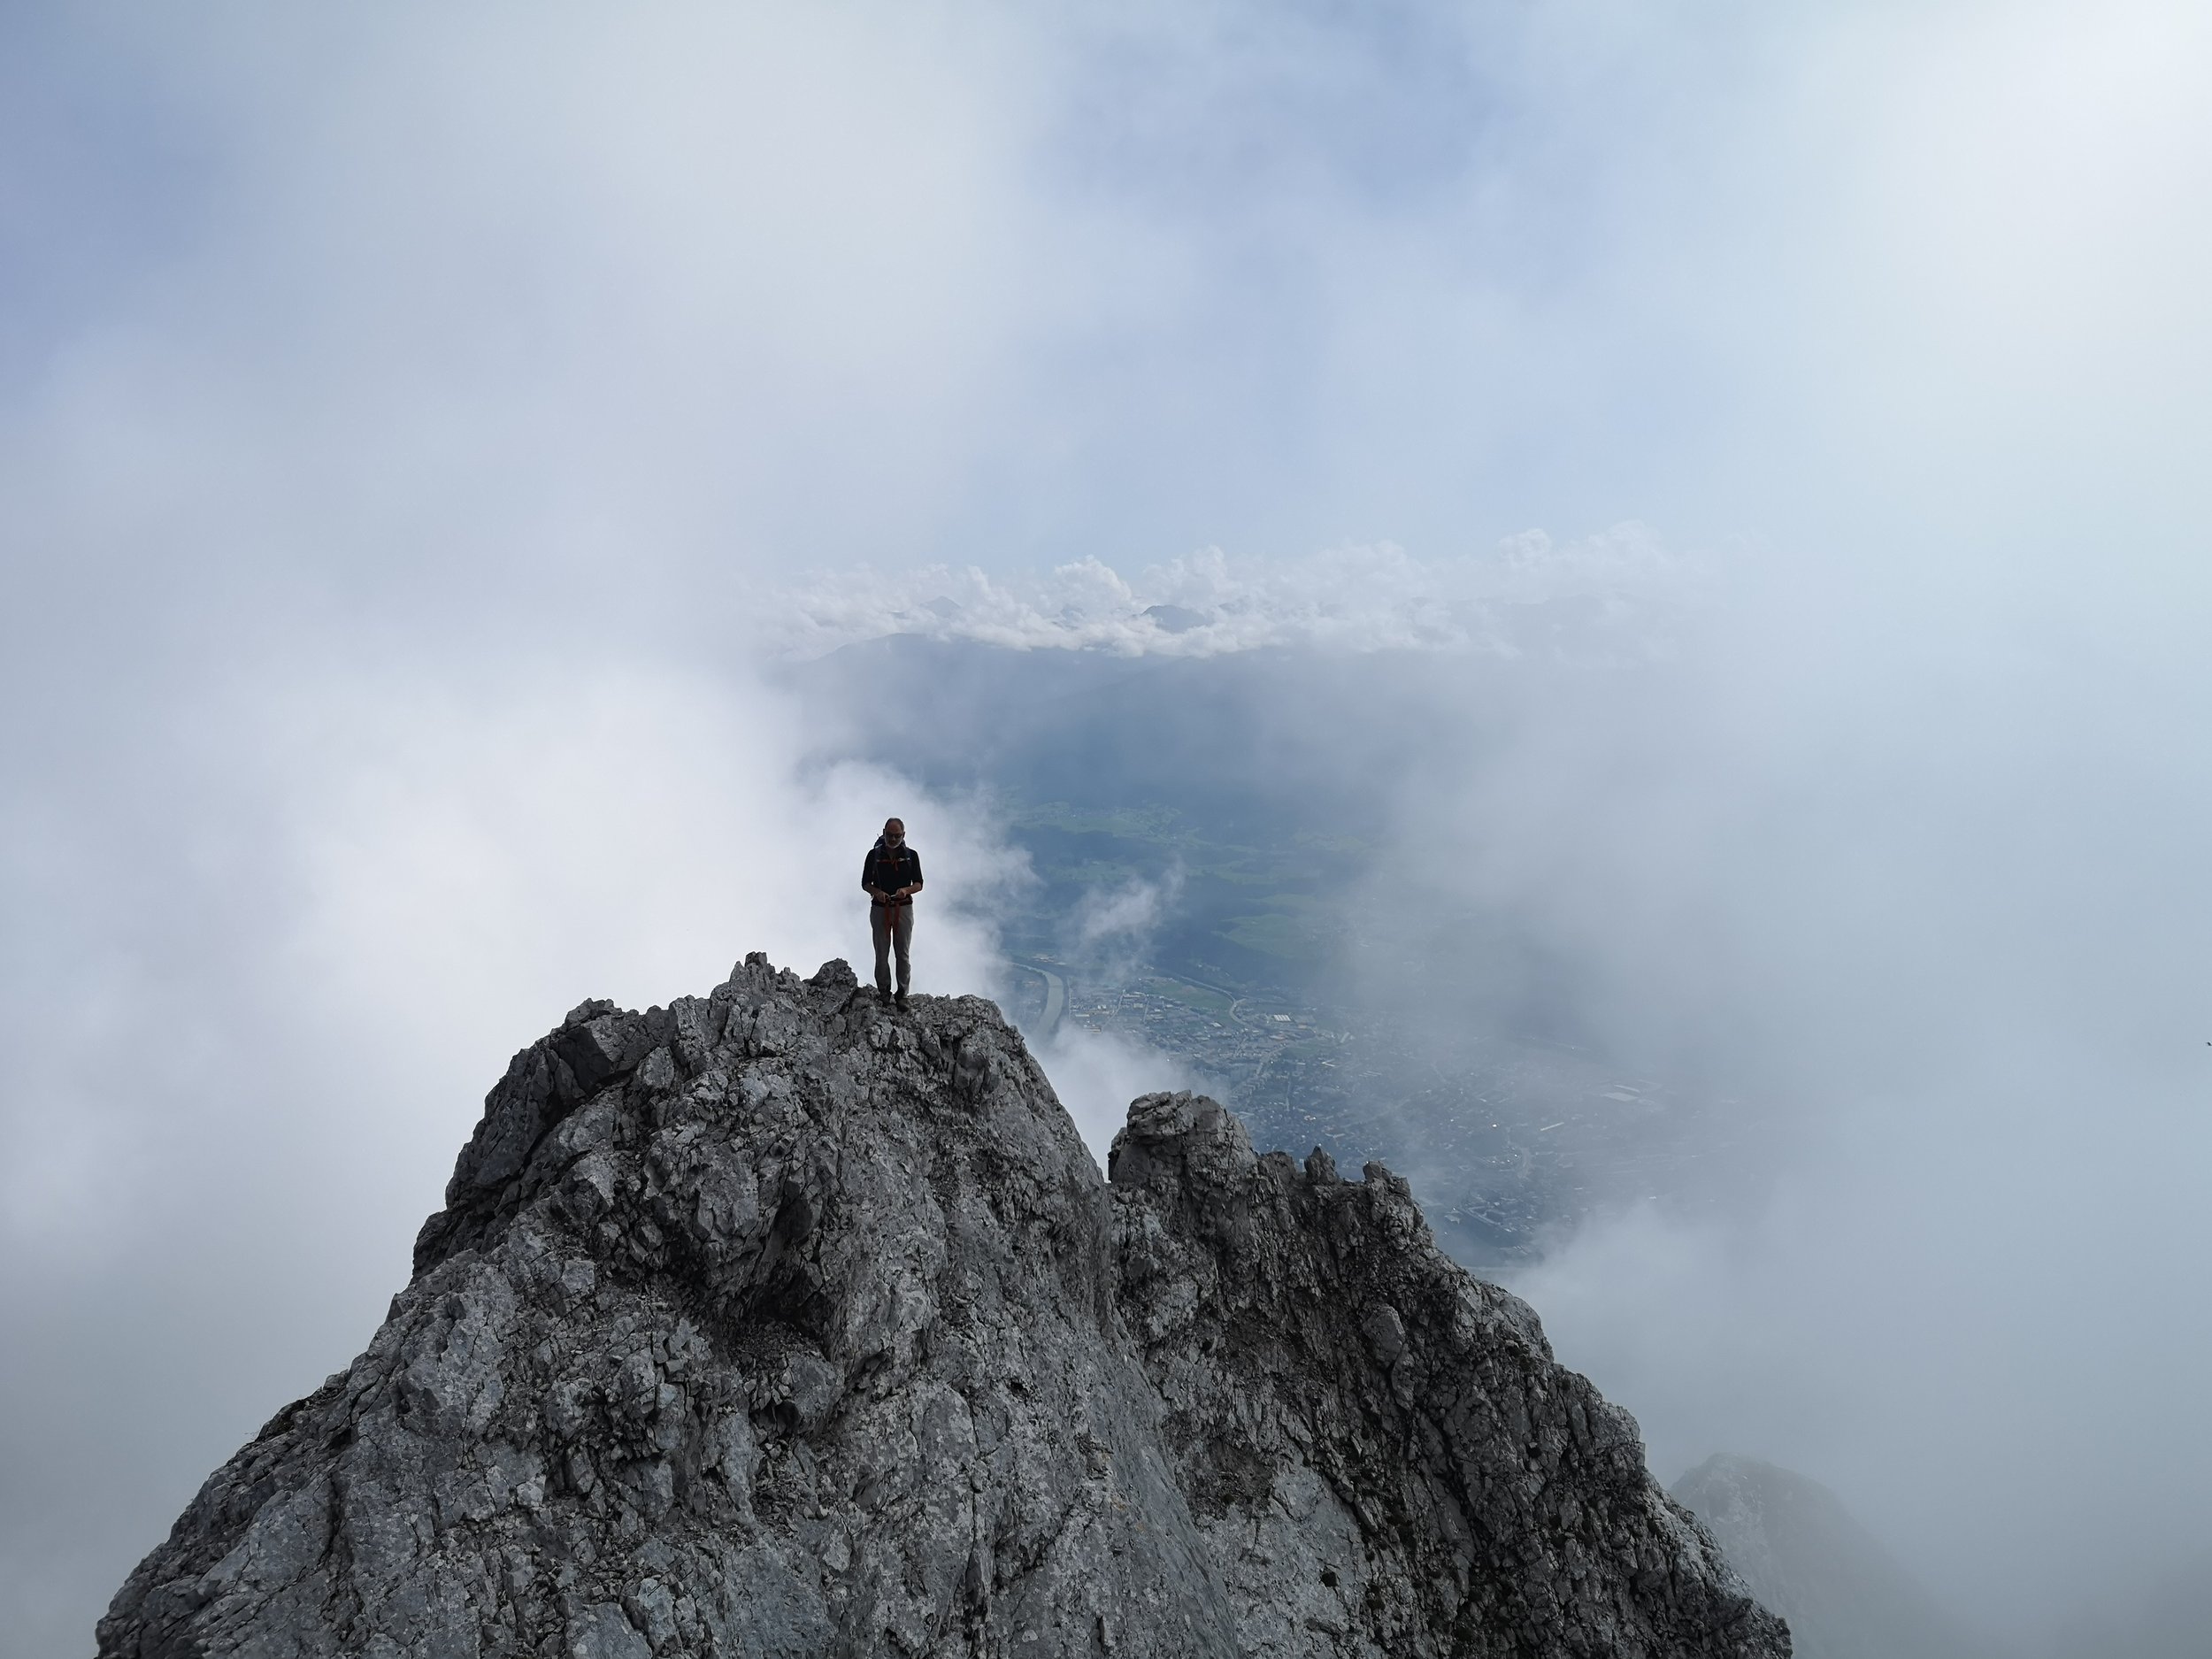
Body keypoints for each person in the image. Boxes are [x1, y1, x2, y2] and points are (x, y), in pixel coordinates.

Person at [861, 817, 924, 1006]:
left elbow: (919, 884)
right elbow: (865, 883)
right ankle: (884, 992)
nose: (893, 839)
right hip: (881, 908)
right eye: (890, 835)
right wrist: (877, 892)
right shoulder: (874, 855)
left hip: (902, 908)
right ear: (884, 832)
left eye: (897, 836)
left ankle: (902, 994)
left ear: (903, 835)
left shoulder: (912, 855)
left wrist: (905, 890)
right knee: (882, 952)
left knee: (901, 953)